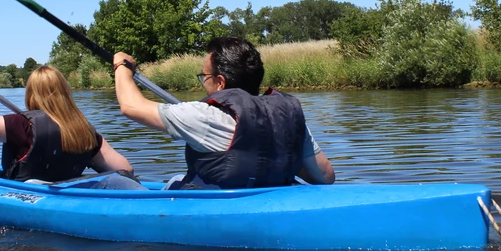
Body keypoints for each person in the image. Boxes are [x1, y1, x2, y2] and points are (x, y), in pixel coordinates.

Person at [112, 37, 335, 189]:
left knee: (122, 182)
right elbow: (325, 176)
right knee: (177, 179)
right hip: (272, 203)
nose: (202, 82)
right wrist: (277, 159)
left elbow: (131, 106)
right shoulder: (287, 115)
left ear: (220, 82)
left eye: (204, 77)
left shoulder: (205, 116)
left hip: (216, 210)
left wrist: (121, 67)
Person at [0, 62, 144, 189]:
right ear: (65, 92)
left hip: (28, 196)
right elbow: (125, 169)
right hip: (70, 194)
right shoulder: (85, 130)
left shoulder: (23, 125)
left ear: (31, 94)